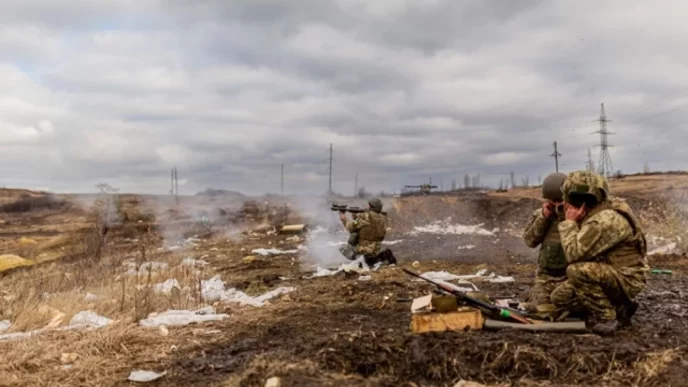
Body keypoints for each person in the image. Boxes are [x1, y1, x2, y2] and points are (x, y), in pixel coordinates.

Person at [550, 170, 649, 335]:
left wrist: (569, 222)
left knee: (577, 271)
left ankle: (607, 317)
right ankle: (621, 308)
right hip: (612, 272)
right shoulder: (600, 209)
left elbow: (573, 254)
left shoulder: (604, 220)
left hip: (627, 277)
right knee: (559, 298)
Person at [522, 172, 568, 318]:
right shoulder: (541, 214)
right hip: (547, 276)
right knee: (543, 309)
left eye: (559, 200)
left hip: (571, 276)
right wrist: (544, 217)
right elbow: (530, 241)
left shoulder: (578, 215)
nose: (556, 204)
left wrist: (566, 216)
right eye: (552, 201)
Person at [338, 197, 394, 266]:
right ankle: (379, 257)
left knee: (344, 247)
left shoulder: (365, 216)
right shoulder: (382, 218)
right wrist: (356, 218)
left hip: (364, 250)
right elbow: (369, 227)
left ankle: (360, 261)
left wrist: (343, 218)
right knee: (370, 259)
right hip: (376, 249)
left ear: (370, 206)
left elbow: (350, 228)